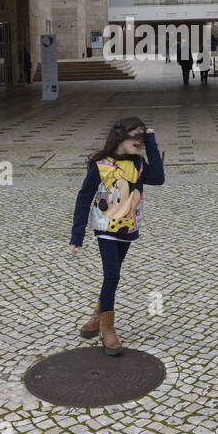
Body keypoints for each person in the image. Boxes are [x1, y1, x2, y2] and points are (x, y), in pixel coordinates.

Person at [69, 118, 165, 356]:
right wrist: (77, 234)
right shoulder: (101, 166)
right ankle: (107, 329)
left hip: (128, 227)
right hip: (105, 227)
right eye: (137, 137)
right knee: (112, 275)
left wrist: (151, 140)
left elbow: (160, 178)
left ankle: (95, 318)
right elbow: (83, 198)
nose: (139, 142)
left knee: (113, 276)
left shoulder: (139, 165)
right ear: (121, 137)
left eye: (142, 138)